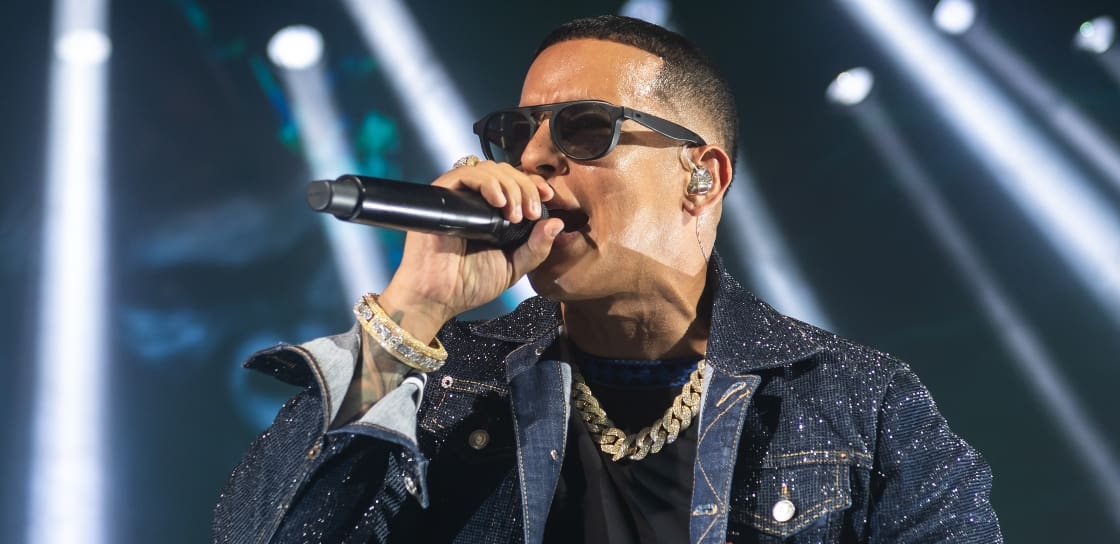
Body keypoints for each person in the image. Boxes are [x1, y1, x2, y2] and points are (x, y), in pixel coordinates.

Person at [214, 14, 1001, 544]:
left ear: (702, 177)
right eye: (516, 133)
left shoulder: (857, 403)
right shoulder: (446, 389)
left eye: (586, 129)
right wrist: (413, 307)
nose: (533, 159)